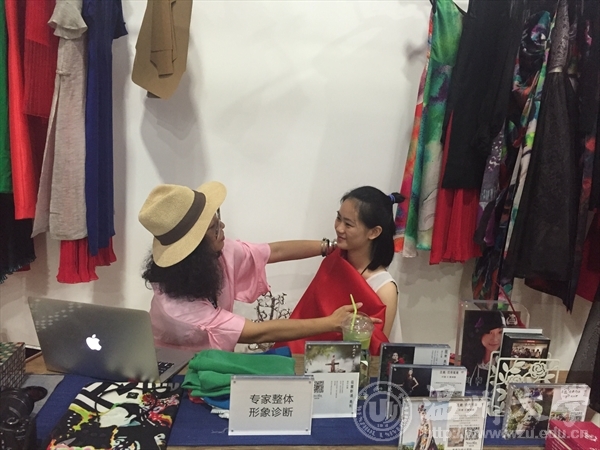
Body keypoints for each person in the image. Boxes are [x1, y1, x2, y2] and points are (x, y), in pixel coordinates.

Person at [138, 182, 378, 352]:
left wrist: (330, 246)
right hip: (175, 369)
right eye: (214, 228)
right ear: (194, 249)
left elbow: (274, 251)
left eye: (217, 219)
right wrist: (332, 323)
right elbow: (258, 332)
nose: (223, 227)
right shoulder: (179, 310)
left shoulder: (220, 251)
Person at [334, 186, 404, 336]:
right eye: (339, 218)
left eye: (348, 224)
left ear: (374, 232)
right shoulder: (335, 261)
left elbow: (378, 344)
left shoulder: (384, 289)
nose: (339, 228)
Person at [462, 311, 506, 387]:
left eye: (500, 332)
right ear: (479, 334)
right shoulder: (468, 360)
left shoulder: (507, 364)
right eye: (489, 333)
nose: (495, 339)